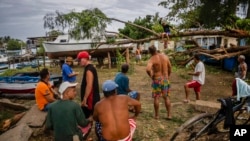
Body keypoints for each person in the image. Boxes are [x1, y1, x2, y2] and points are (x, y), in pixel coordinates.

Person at [146, 45, 172, 119]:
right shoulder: (165, 57)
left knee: (156, 98)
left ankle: (157, 115)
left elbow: (148, 69)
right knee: (166, 97)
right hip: (165, 79)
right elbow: (170, 67)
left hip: (157, 79)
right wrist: (168, 76)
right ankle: (169, 115)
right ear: (156, 50)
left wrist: (151, 76)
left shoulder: (152, 59)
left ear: (150, 52)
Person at [77, 51, 100, 118]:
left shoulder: (89, 70)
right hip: (91, 96)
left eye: (79, 60)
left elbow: (89, 85)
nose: (79, 62)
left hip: (90, 97)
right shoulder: (89, 68)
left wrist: (85, 98)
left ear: (84, 59)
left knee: (88, 115)